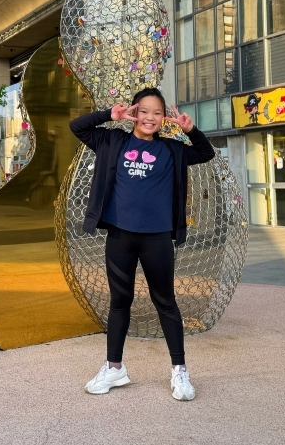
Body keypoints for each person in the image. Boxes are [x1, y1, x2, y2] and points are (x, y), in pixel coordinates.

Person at [70, 87, 215, 402]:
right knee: (119, 301)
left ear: (163, 118)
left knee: (165, 302)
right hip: (120, 237)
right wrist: (110, 115)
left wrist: (190, 130)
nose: (150, 117)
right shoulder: (113, 141)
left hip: (157, 238)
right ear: (134, 112)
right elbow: (77, 127)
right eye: (144, 111)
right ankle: (114, 367)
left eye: (157, 113)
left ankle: (179, 370)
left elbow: (206, 153)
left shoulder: (172, 150)